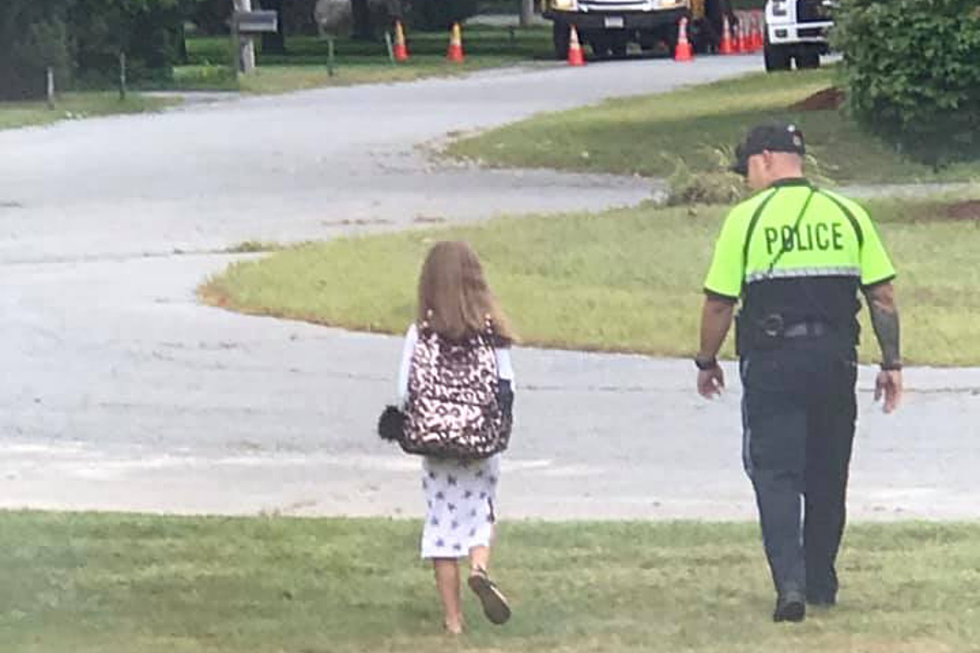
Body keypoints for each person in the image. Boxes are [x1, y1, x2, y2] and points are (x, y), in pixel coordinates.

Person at [694, 122, 903, 623]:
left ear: (765, 158)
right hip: (836, 362)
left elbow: (719, 303)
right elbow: (882, 296)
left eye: (746, 167)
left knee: (777, 474)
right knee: (829, 473)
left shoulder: (746, 220)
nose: (745, 178)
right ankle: (822, 580)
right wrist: (891, 362)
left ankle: (789, 584)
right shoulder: (848, 215)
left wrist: (706, 360)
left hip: (772, 362)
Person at [396, 240, 516, 635]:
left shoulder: (421, 333)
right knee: (480, 510)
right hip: (479, 442)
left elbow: (404, 391)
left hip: (435, 443)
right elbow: (505, 384)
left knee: (441, 524)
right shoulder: (491, 334)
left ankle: (453, 622)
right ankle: (479, 568)